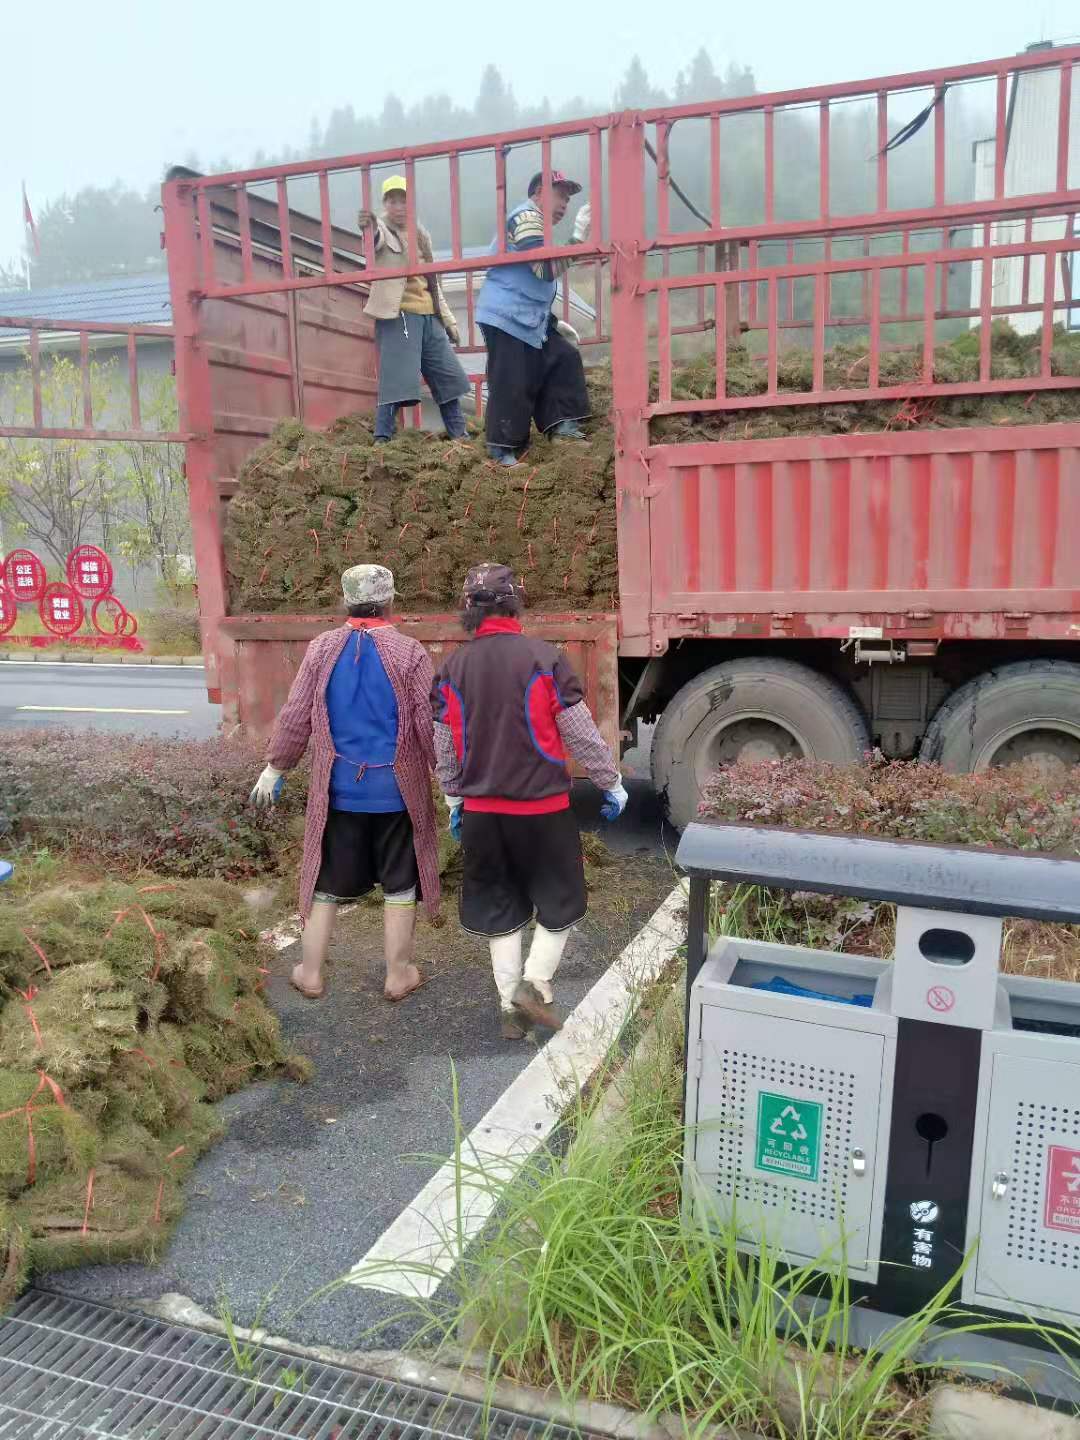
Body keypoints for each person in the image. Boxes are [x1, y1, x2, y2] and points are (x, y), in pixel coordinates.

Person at [431, 563, 628, 1038]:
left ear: (468, 611)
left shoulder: (452, 668)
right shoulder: (546, 659)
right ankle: (534, 984)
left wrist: (454, 798)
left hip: (482, 813)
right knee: (560, 900)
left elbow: (444, 744)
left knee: (500, 908)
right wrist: (610, 782)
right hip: (542, 811)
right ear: (516, 603)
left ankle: (507, 1009)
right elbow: (579, 734)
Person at [250, 564, 440, 1002]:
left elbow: (297, 715)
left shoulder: (321, 649)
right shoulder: (409, 652)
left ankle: (310, 973)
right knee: (400, 883)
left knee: (325, 883)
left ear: (346, 600)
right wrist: (451, 784)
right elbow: (428, 724)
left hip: (338, 793)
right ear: (391, 600)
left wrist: (275, 768)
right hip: (398, 795)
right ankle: (398, 974)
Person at [475, 171, 593, 467]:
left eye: (568, 197)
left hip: (529, 319)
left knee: (562, 357)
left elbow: (532, 284)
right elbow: (543, 270)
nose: (565, 203)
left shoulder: (539, 228)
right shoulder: (525, 219)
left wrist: (552, 323)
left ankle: (562, 426)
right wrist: (577, 239)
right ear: (540, 192)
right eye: (561, 195)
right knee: (512, 379)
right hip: (506, 317)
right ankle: (500, 449)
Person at [358, 176, 471, 443]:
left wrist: (448, 320)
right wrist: (369, 227)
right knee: (396, 378)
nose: (398, 206)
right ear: (385, 204)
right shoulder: (383, 229)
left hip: (429, 315)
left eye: (403, 200)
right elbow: (373, 243)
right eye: (392, 200)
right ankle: (382, 438)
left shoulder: (420, 234)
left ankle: (460, 436)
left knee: (448, 377)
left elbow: (433, 282)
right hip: (399, 314)